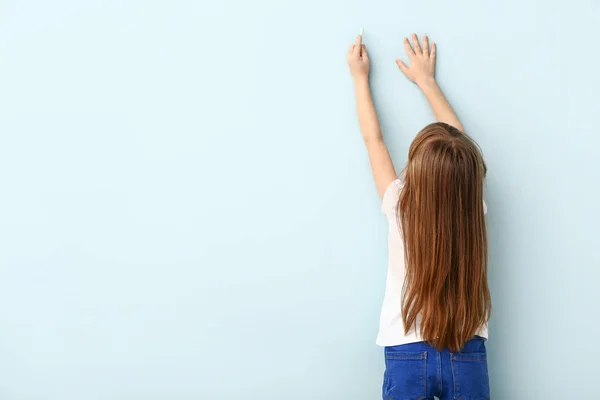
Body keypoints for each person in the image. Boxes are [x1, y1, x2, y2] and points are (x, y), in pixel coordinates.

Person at [347, 33, 492, 400]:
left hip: (406, 350)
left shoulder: (400, 203)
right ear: (470, 175)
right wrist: (427, 82)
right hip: (466, 349)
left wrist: (360, 78)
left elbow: (373, 140)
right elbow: (458, 147)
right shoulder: (472, 204)